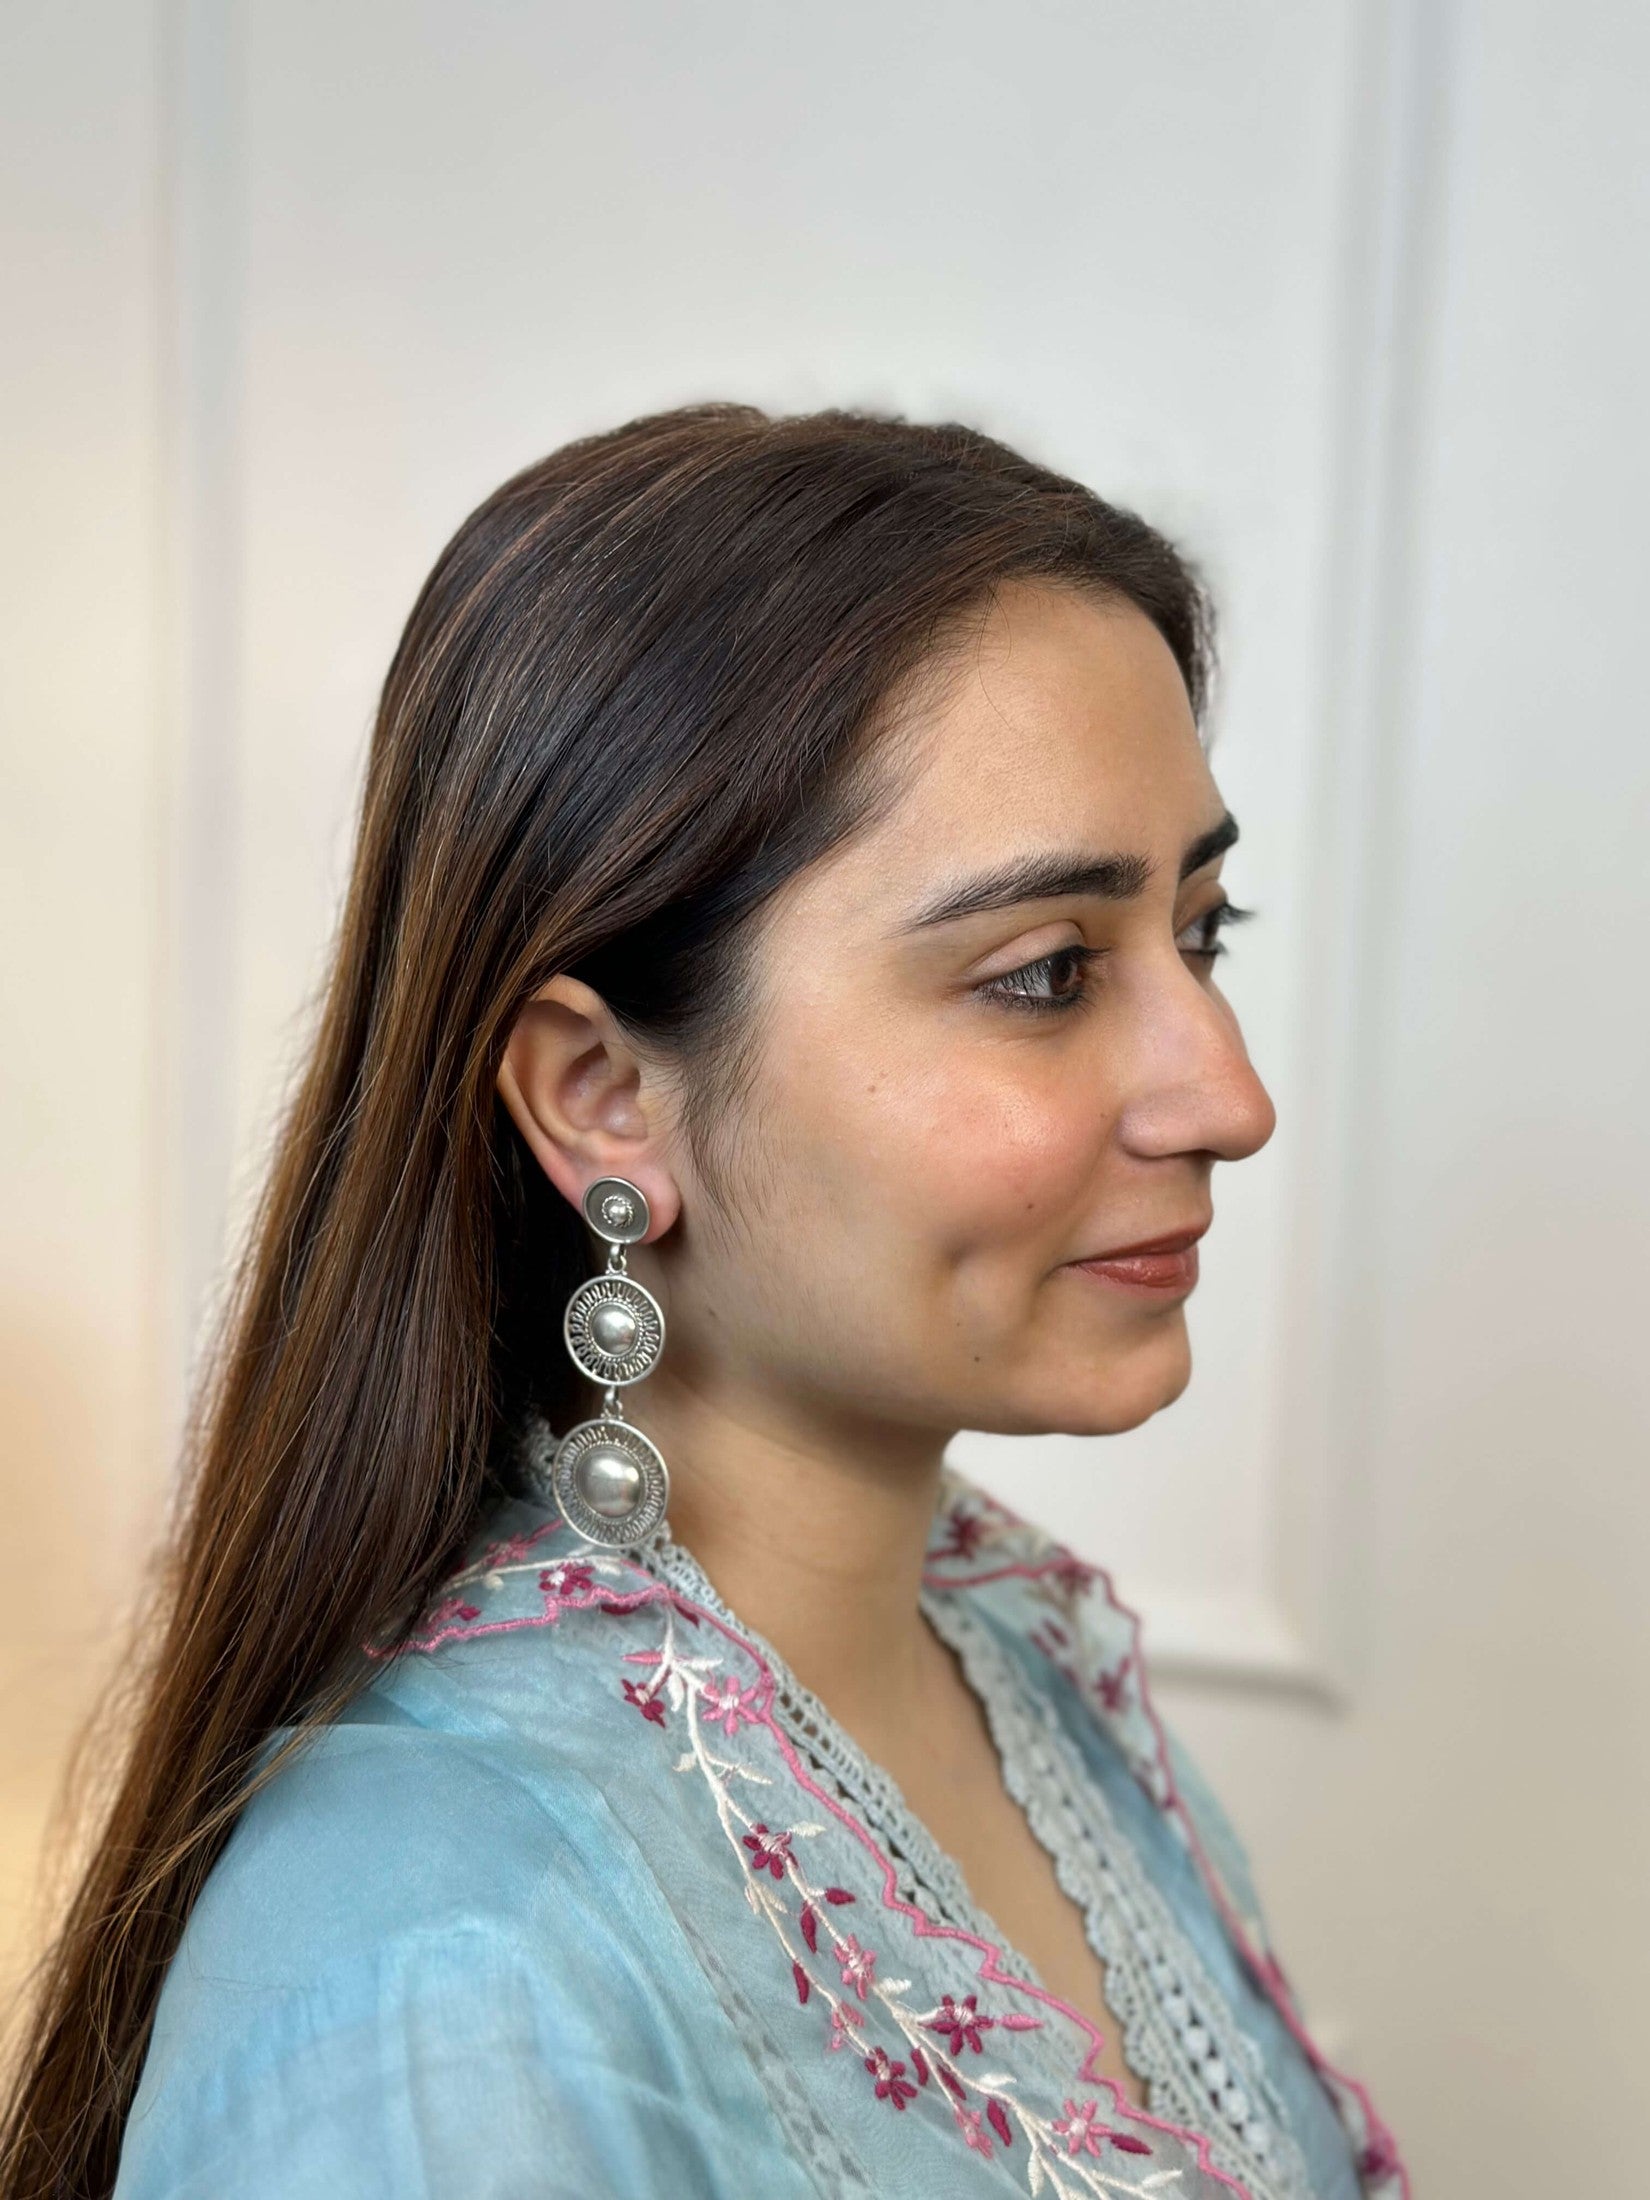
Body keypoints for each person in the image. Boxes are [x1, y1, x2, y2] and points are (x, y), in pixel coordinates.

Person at [1, 405, 1407, 2198]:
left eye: (1199, 936)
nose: (1227, 1095)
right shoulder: (439, 1975)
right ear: (601, 1094)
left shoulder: (1023, 1662)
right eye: (1047, 972)